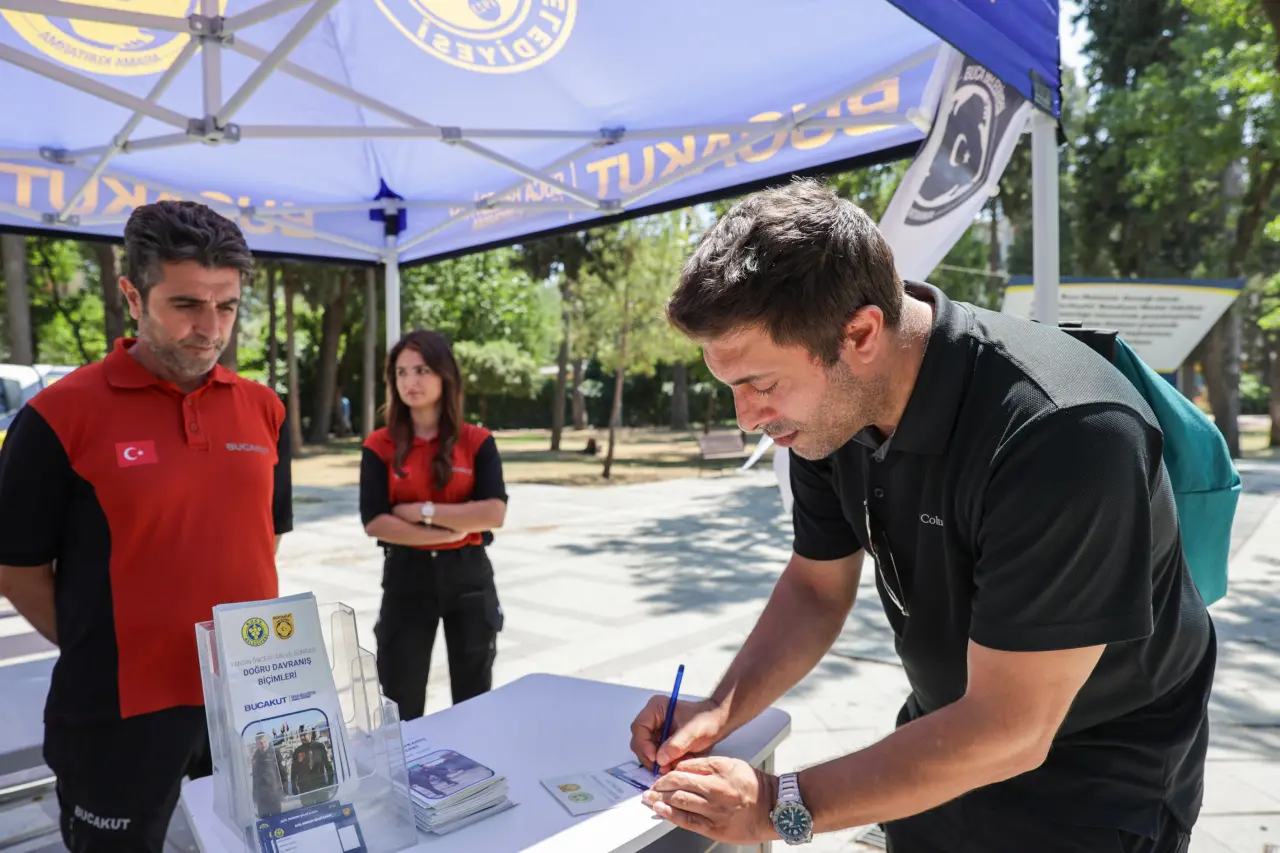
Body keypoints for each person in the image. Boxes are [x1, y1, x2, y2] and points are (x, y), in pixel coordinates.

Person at [627, 179, 1214, 853]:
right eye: (731, 387)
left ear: (860, 332)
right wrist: (717, 709)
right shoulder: (829, 412)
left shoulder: (1063, 431)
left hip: (1093, 784)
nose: (749, 417)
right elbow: (816, 589)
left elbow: (1013, 728)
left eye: (761, 383)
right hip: (939, 742)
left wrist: (778, 805)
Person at [0, 199, 293, 853]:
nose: (210, 328)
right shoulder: (57, 417)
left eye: (227, 306)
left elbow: (260, 539)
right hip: (115, 716)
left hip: (250, 704)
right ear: (132, 294)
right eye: (186, 304)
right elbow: (17, 570)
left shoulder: (263, 409)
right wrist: (109, 646)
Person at [360, 329, 507, 721]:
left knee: (474, 698)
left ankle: (474, 777)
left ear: (445, 375)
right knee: (401, 696)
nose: (411, 382)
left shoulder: (477, 441)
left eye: (422, 370)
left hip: (469, 577)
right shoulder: (379, 445)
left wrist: (422, 511)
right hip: (407, 577)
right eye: (402, 372)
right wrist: (450, 529)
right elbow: (375, 521)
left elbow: (493, 513)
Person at [289, 728, 335, 805]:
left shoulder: (320, 747)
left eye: (304, 735)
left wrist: (330, 782)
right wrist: (294, 786)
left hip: (320, 786)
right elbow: (294, 770)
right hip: (305, 789)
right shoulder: (297, 751)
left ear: (310, 734)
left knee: (324, 810)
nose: (302, 737)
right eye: (301, 735)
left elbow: (328, 765)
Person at [250, 733, 285, 818]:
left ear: (268, 741)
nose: (263, 745)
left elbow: (283, 772)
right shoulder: (255, 756)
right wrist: (254, 794)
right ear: (257, 744)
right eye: (260, 743)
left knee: (277, 819)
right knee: (264, 823)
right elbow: (254, 776)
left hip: (274, 794)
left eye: (264, 742)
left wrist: (285, 790)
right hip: (261, 797)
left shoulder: (275, 753)